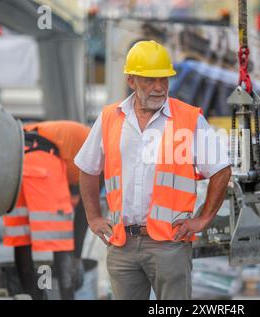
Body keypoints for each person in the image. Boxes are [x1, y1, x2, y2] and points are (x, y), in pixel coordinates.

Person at [75, 40, 231, 300]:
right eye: (150, 80)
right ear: (131, 81)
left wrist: (203, 219)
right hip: (122, 243)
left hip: (169, 245)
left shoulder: (189, 119)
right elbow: (88, 168)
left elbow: (221, 169)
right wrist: (93, 217)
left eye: (164, 79)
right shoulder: (109, 118)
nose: (159, 87)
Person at [3, 120, 90, 300]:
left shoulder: (80, 140)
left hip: (13, 158)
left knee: (23, 237)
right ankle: (63, 297)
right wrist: (77, 257)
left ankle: (30, 296)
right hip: (42, 157)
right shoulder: (103, 151)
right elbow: (87, 210)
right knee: (55, 239)